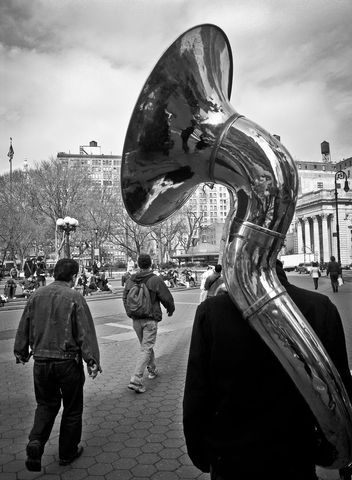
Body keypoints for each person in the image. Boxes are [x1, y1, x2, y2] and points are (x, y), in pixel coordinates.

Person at [183, 260, 352, 480]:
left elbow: (197, 396)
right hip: (297, 456)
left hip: (230, 459)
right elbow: (341, 392)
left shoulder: (211, 311)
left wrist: (205, 457)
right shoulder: (320, 307)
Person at [14, 258, 101, 472]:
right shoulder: (75, 297)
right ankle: (67, 453)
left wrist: (21, 351)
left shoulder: (36, 295)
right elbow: (85, 332)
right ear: (73, 276)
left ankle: (36, 441)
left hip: (41, 362)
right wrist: (92, 360)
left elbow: (24, 324)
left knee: (46, 404)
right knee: (72, 408)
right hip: (67, 362)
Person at [123, 253, 175, 393]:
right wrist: (170, 309)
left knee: (146, 346)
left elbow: (125, 297)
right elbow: (166, 297)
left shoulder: (130, 280)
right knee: (146, 347)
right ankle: (136, 379)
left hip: (136, 320)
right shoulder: (155, 280)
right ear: (150, 264)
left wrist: (130, 312)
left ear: (138, 264)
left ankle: (152, 370)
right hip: (150, 319)